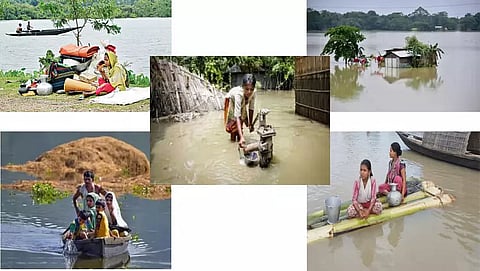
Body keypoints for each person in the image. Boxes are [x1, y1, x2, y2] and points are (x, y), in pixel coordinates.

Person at [223, 74, 256, 147]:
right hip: (232, 100)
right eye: (247, 89)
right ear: (243, 87)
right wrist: (242, 137)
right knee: (233, 125)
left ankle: (240, 137)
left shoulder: (253, 93)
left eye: (251, 89)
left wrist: (250, 124)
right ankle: (233, 142)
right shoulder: (238, 94)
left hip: (243, 101)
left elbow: (251, 108)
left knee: (243, 118)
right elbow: (237, 116)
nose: (249, 92)